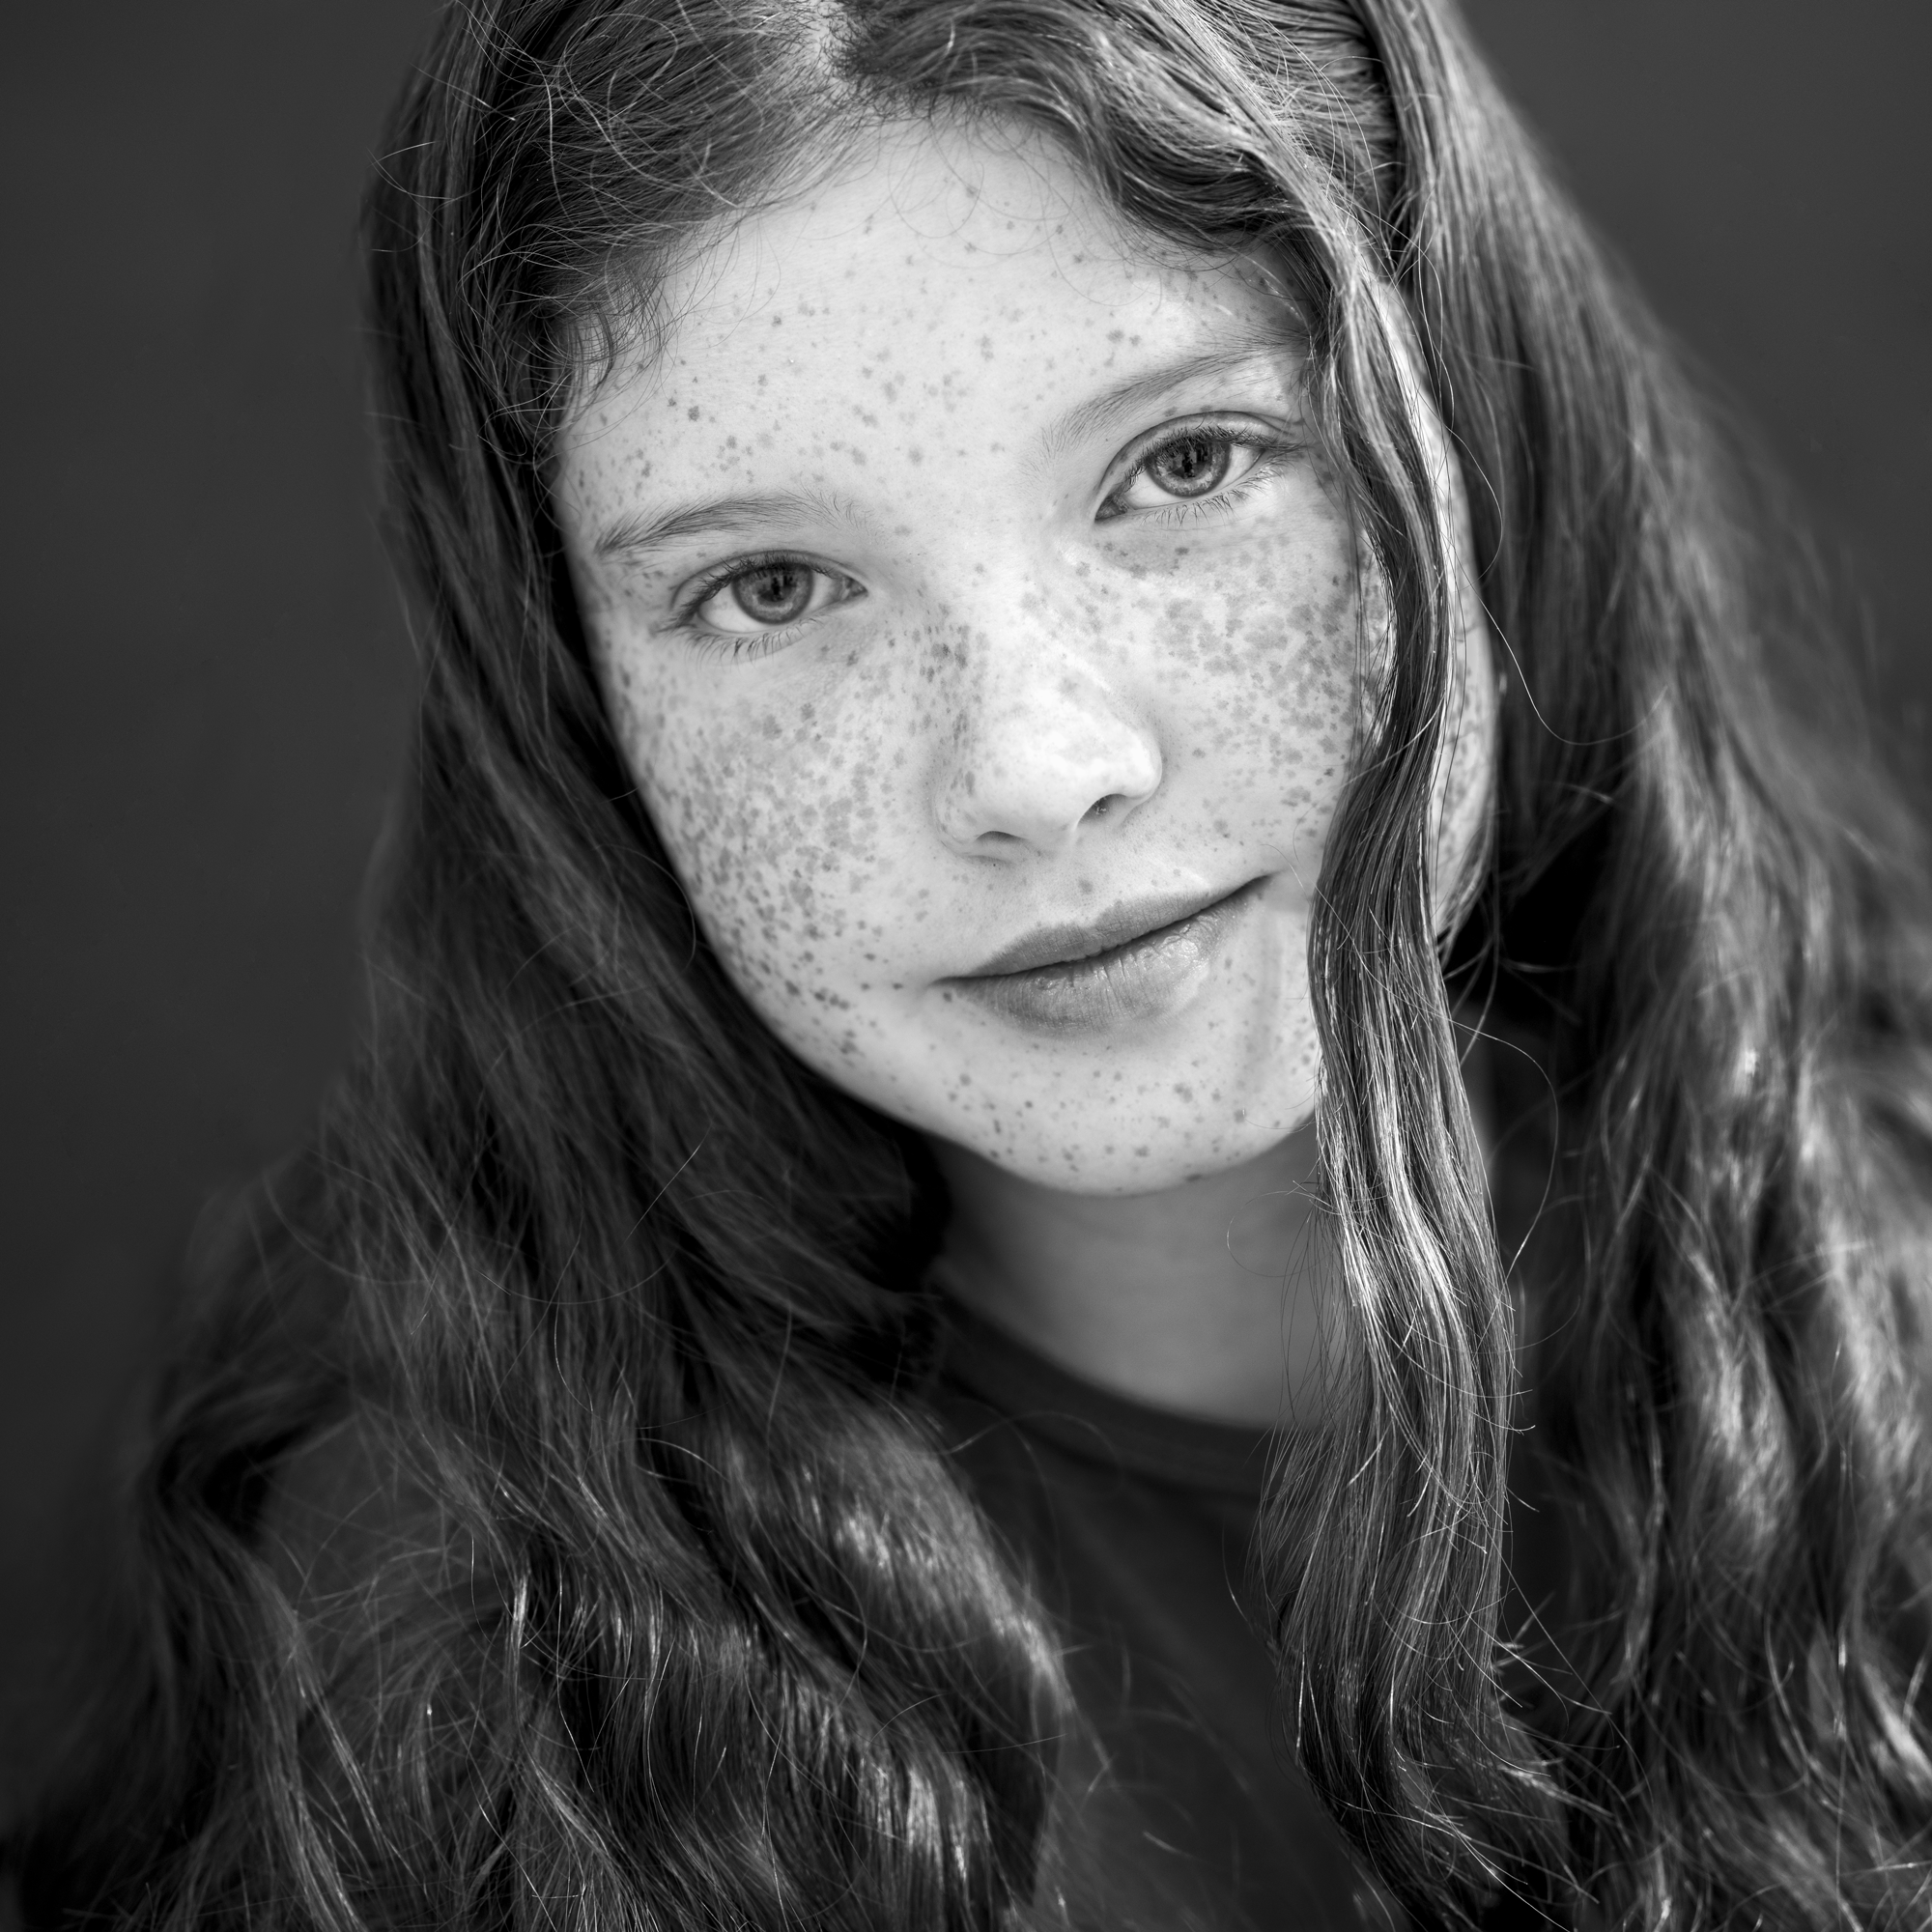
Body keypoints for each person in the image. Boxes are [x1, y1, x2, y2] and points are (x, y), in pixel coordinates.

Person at [14, 0, 1932, 1925]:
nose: (1033, 766)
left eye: (1187, 463)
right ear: (577, 717)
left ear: (1489, 437)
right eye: (771, 589)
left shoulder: (1892, 1318)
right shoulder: (470, 1686)